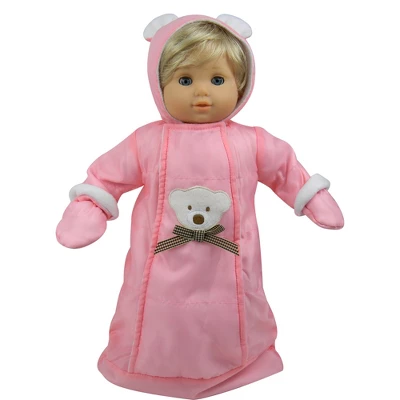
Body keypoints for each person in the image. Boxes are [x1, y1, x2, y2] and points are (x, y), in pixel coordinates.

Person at [56, 14, 344, 399]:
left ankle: (243, 362)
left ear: (241, 84)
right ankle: (150, 368)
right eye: (185, 80)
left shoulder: (251, 142)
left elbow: (285, 169)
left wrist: (312, 197)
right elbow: (106, 176)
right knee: (156, 316)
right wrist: (89, 208)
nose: (202, 93)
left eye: (218, 80)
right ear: (160, 84)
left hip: (230, 261)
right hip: (161, 262)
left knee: (233, 314)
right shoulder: (148, 142)